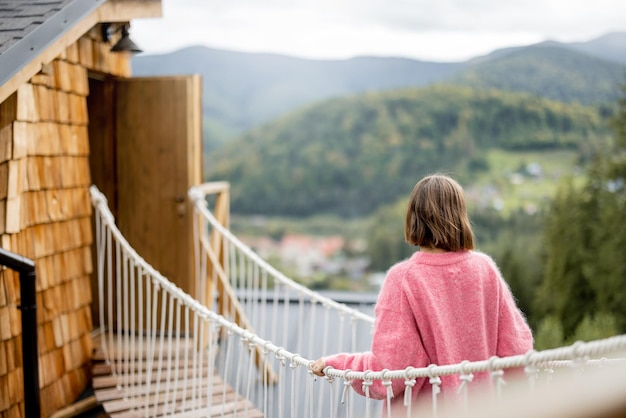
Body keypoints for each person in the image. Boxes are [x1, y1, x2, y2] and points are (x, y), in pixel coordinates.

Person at [311, 173, 533, 414]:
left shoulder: (402, 279)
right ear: (460, 216)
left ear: (413, 218)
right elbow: (517, 352)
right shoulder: (485, 269)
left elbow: (389, 373)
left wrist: (339, 365)